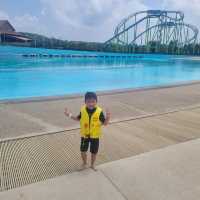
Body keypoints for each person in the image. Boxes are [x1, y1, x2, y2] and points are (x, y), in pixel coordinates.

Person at [64, 92, 110, 171]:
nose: (91, 104)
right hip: (85, 136)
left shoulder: (99, 112)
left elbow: (105, 124)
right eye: (88, 102)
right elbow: (78, 119)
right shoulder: (83, 110)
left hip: (95, 136)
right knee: (82, 151)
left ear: (96, 101)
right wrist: (69, 115)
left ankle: (92, 165)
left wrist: (108, 117)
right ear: (85, 102)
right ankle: (84, 163)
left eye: (93, 101)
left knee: (94, 152)